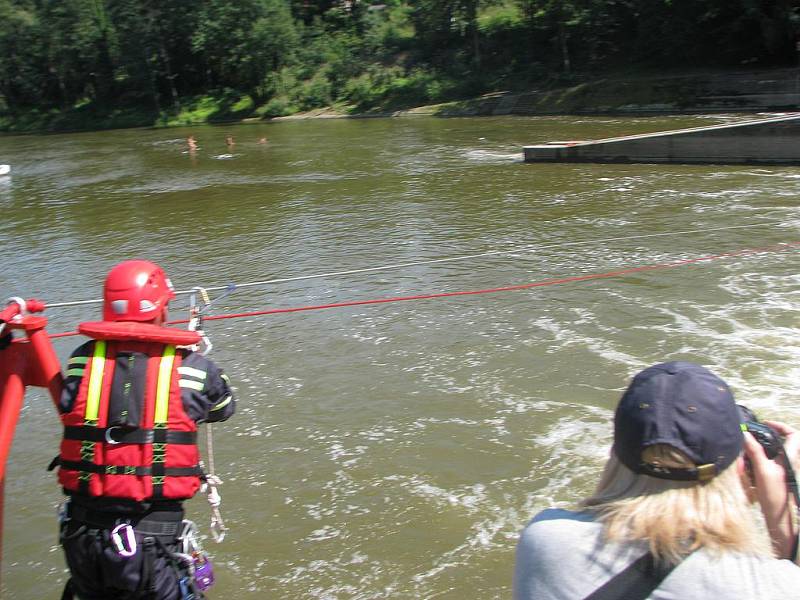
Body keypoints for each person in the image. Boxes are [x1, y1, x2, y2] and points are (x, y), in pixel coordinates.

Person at [513, 361, 800, 600]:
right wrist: (783, 519)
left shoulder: (543, 538)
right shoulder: (765, 585)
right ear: (741, 465)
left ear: (616, 453)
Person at [54, 260, 236, 600]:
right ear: (161, 308)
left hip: (81, 540)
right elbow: (223, 409)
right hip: (149, 545)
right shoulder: (193, 368)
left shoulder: (81, 359)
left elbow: (69, 405)